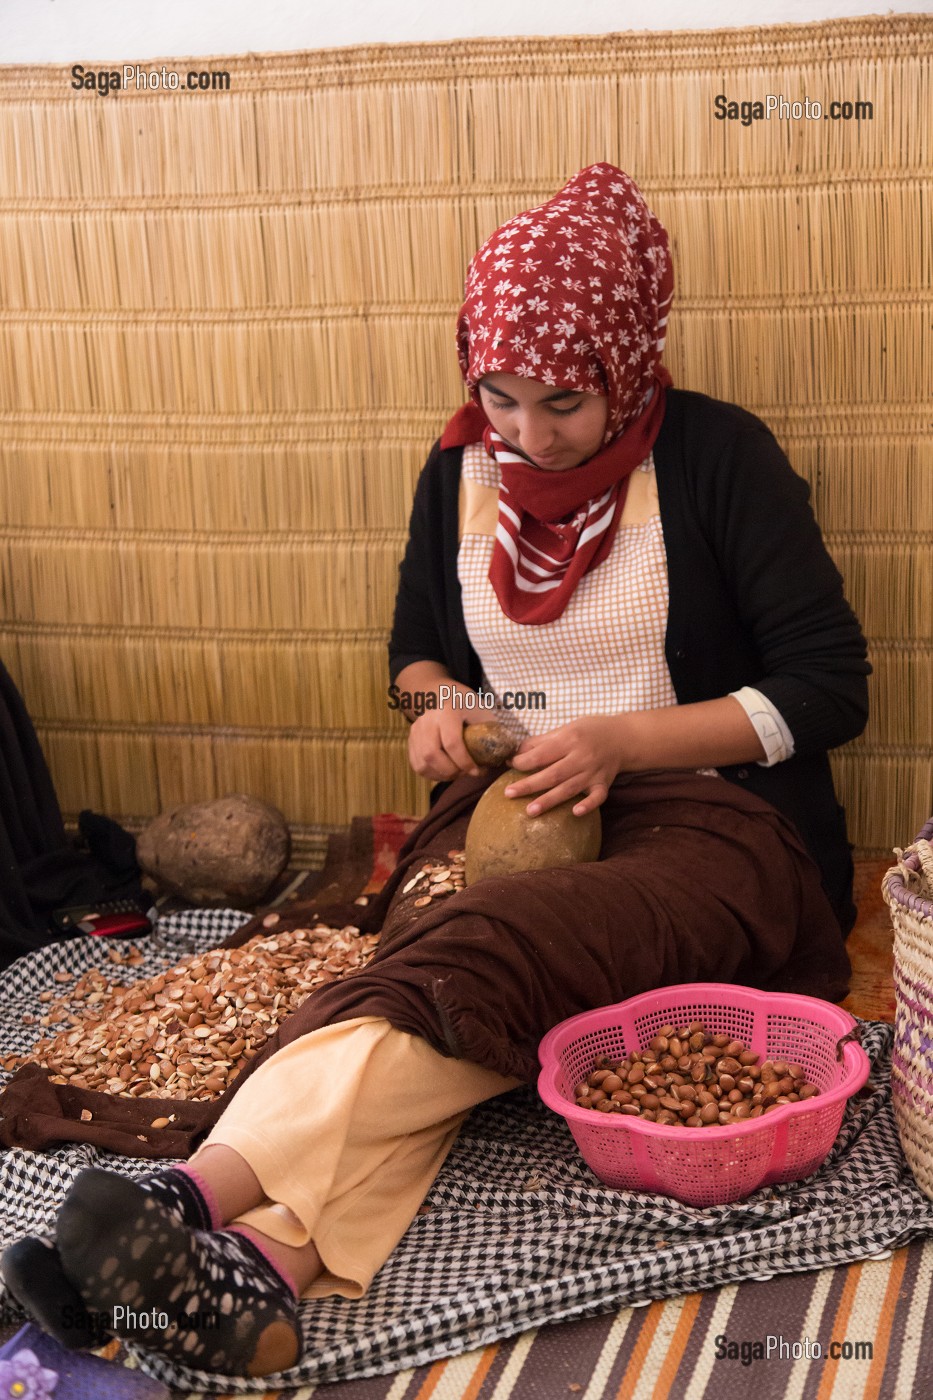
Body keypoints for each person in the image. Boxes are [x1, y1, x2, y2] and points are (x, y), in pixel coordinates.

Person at [0, 164, 869, 1379]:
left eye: (563, 401)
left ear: (627, 363)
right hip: (505, 810)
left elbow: (830, 686)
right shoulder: (458, 472)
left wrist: (623, 739)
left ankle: (193, 1198)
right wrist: (436, 713)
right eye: (498, 395)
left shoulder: (722, 459)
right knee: (428, 988)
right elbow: (413, 655)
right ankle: (261, 1272)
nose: (528, 431)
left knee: (476, 955)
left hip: (712, 826)